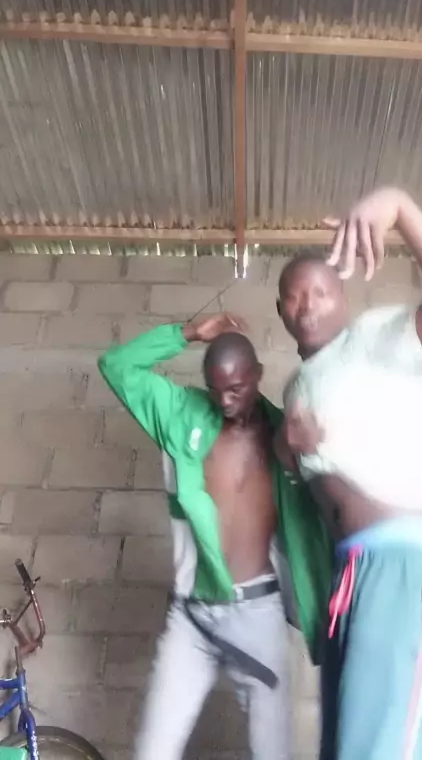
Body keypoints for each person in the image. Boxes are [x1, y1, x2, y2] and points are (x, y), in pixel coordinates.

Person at [276, 187, 422, 760]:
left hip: (404, 567)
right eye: (294, 296)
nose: (307, 305)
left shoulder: (375, 335)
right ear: (280, 309)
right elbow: (301, 468)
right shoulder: (296, 387)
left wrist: (400, 205)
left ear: (342, 298)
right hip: (349, 577)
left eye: (319, 292)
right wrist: (286, 445)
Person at [98, 313, 332, 760]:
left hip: (259, 615)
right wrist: (186, 333)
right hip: (193, 617)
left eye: (236, 388)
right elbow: (117, 366)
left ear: (257, 375)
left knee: (274, 754)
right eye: (215, 388)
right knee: (152, 753)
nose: (224, 400)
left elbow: (327, 511)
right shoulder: (181, 414)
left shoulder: (283, 436)